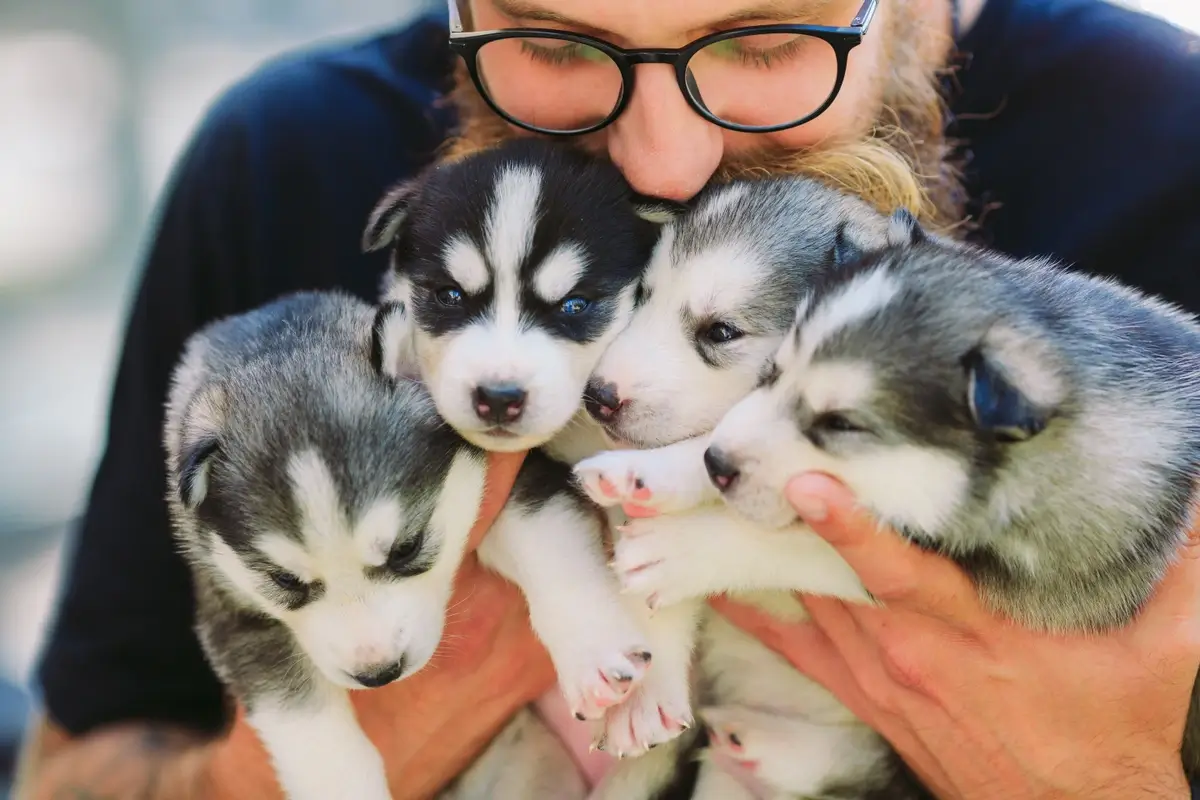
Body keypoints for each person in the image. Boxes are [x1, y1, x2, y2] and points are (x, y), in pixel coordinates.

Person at [15, 0, 1200, 797]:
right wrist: (341, 744)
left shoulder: (1168, 150)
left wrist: (1111, 776)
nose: (664, 162)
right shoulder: (287, 156)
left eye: (762, 39)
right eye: (558, 45)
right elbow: (80, 758)